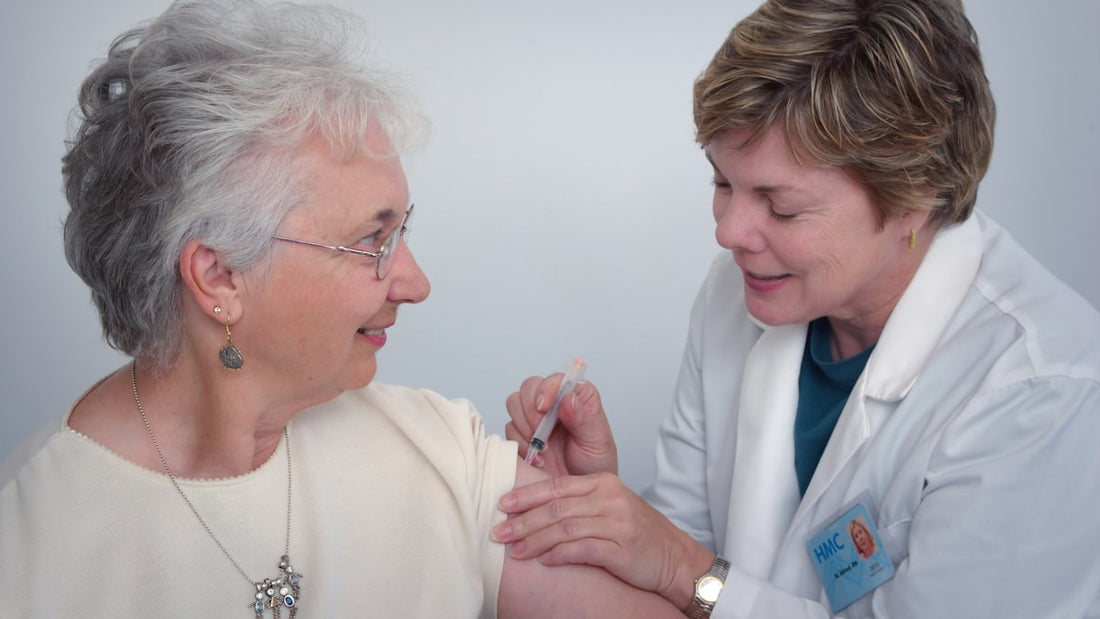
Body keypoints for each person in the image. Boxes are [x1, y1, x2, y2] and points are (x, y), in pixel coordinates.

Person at [0, 1, 685, 617]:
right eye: (371, 240)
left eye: (401, 231)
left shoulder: (441, 456)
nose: (415, 283)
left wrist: (593, 529)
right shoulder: (26, 550)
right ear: (219, 277)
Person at [495, 0, 1100, 617]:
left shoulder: (1040, 389)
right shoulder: (738, 294)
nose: (729, 232)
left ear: (915, 197)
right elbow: (679, 564)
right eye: (721, 183)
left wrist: (679, 563)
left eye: (780, 207)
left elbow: (687, 570)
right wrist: (600, 508)